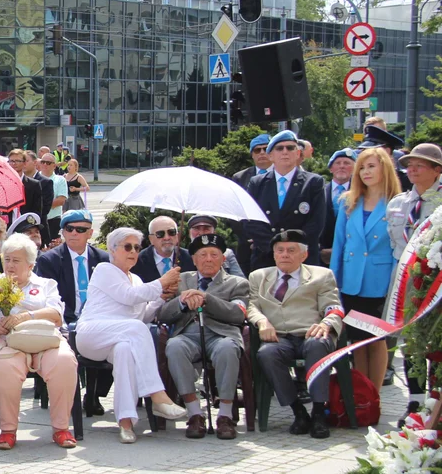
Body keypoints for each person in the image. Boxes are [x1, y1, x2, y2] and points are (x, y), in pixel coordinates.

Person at [73, 227, 187, 444]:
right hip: (92, 334)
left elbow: (143, 315)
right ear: (113, 250)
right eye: (127, 246)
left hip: (119, 338)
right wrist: (161, 282)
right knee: (135, 329)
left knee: (125, 350)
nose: (133, 251)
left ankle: (125, 422)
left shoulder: (136, 279)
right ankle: (157, 395)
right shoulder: (104, 269)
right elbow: (128, 297)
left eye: (137, 247)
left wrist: (162, 297)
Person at [0, 234, 79, 450]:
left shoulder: (45, 284)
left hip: (43, 339)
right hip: (6, 341)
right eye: (7, 259)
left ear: (30, 264)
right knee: (3, 367)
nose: (10, 265)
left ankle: (61, 428)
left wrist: (26, 317)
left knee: (64, 362)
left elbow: (57, 315)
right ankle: (8, 431)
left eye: (16, 261)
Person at [250, 229, 345, 439]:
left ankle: (319, 411)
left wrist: (327, 324)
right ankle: (298, 411)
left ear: (303, 255)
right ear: (273, 254)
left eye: (291, 250)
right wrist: (262, 321)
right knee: (266, 353)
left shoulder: (321, 275)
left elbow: (333, 307)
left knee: (317, 345)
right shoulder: (259, 276)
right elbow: (252, 306)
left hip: (311, 333)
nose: (285, 254)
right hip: (280, 337)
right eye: (280, 250)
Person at [157, 233, 250, 440]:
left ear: (223, 259)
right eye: (203, 254)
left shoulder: (237, 283)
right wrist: (181, 302)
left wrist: (206, 299)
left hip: (221, 334)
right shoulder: (181, 279)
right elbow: (162, 315)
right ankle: (194, 414)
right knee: (174, 347)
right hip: (188, 335)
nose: (208, 259)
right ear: (195, 259)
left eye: (214, 254)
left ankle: (225, 416)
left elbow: (237, 314)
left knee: (228, 349)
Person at [330, 148, 401, 391]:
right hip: (350, 280)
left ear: (385, 168)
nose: (365, 172)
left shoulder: (396, 203)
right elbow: (339, 244)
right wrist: (333, 281)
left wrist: (395, 286)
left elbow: (397, 248)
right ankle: (361, 396)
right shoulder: (349, 201)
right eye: (361, 167)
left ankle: (375, 395)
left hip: (379, 282)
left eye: (371, 166)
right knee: (356, 340)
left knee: (376, 339)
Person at [35, 208, 112, 416]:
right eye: (70, 228)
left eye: (81, 229)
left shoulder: (104, 259)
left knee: (118, 340)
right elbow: (50, 298)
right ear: (63, 231)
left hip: (98, 317)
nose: (75, 233)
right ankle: (70, 396)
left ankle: (94, 394)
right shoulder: (49, 260)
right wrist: (72, 320)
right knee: (71, 339)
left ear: (90, 233)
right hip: (65, 319)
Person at [385, 143, 442, 420]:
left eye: (420, 164)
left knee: (437, 341)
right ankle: (415, 402)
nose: (412, 169)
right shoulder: (398, 203)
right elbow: (394, 243)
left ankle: (437, 402)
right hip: (407, 282)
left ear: (437, 170)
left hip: (437, 282)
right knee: (411, 340)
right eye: (409, 164)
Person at [245, 130, 326, 269]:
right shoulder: (257, 183)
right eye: (279, 148)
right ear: (271, 155)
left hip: (301, 259)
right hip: (266, 259)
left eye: (290, 147)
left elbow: (316, 223)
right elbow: (250, 221)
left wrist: (291, 250)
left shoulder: (313, 182)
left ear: (298, 153)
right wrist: (276, 249)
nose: (285, 151)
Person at [321, 148, 357, 265]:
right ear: (331, 168)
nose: (342, 166)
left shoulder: (360, 195)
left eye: (347, 163)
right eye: (338, 163)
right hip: (322, 256)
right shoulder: (319, 192)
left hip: (351, 256)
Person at [132, 216, 195, 282]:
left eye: (171, 232)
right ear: (151, 239)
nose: (167, 237)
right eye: (160, 234)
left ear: (177, 236)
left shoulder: (191, 258)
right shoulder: (137, 261)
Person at [358, 124, 412, 192]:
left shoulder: (405, 180)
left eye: (371, 150)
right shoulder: (359, 179)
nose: (366, 154)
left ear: (387, 151)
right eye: (364, 151)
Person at [7, 150, 45, 233]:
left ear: (24, 163)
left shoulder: (34, 184)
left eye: (17, 161)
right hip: (7, 228)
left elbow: (37, 210)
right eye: (11, 161)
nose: (14, 163)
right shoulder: (3, 183)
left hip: (26, 227)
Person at [23, 150, 54, 244]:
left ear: (35, 162)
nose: (23, 164)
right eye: (22, 161)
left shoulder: (45, 182)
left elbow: (44, 208)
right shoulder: (18, 181)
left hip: (37, 230)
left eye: (26, 161)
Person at [39, 153, 69, 238]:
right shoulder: (34, 178)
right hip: (36, 219)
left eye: (48, 163)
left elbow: (61, 200)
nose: (45, 164)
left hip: (52, 220)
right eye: (43, 162)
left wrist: (40, 206)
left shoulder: (60, 180)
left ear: (54, 166)